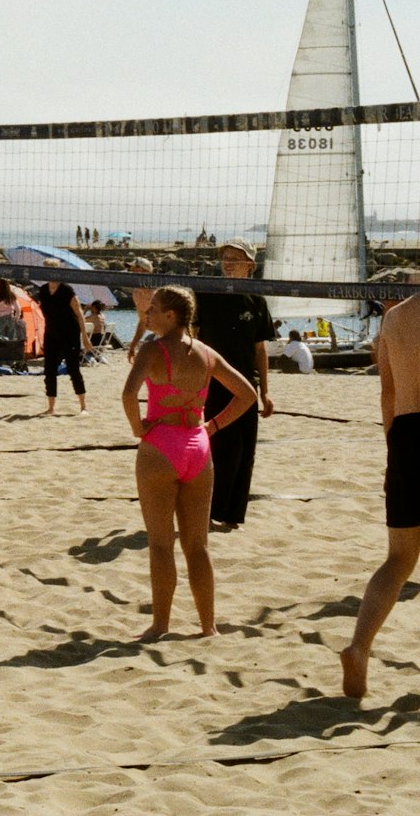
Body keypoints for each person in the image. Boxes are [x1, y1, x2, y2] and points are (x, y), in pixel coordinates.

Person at [121, 285, 258, 640]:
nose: (146, 315)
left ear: (171, 316)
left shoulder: (153, 349)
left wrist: (139, 428)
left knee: (161, 543)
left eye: (153, 309)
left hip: (161, 445)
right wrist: (212, 426)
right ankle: (207, 626)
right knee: (198, 546)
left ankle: (161, 625)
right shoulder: (206, 353)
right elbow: (248, 394)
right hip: (198, 447)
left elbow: (128, 394)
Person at [339, 284, 420, 697]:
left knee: (398, 559)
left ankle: (359, 647)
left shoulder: (395, 317)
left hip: (406, 436)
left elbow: (387, 394)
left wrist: (396, 452)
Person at [193, 239, 274, 531]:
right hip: (215, 381)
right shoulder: (207, 293)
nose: (227, 262)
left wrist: (265, 391)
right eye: (225, 257)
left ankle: (232, 515)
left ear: (250, 265)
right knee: (221, 447)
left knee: (245, 452)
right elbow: (194, 338)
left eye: (235, 258)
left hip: (247, 387)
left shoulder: (257, 299)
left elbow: (260, 349)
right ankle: (210, 512)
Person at [35, 269, 92, 414]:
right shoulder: (43, 290)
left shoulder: (67, 290)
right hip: (51, 334)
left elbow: (79, 313)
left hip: (70, 333)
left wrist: (85, 337)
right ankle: (51, 407)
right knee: (49, 370)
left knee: (73, 369)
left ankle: (83, 406)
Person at [126, 258, 156, 357]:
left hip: (171, 335)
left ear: (145, 271)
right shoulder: (137, 293)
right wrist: (133, 345)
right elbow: (143, 321)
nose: (132, 271)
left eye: (135, 268)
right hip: (159, 334)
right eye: (131, 268)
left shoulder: (157, 291)